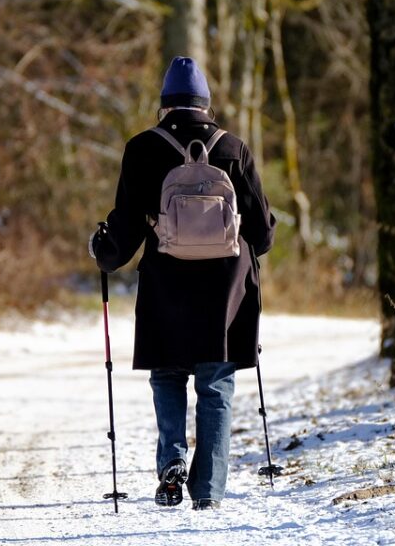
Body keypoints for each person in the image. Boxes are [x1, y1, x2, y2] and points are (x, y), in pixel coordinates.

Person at [90, 56, 275, 511]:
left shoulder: (142, 149)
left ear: (164, 105)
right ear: (206, 105)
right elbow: (264, 233)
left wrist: (104, 250)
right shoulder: (234, 148)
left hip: (167, 281)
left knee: (168, 373)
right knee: (215, 383)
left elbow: (127, 228)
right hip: (225, 288)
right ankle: (208, 490)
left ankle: (171, 462)